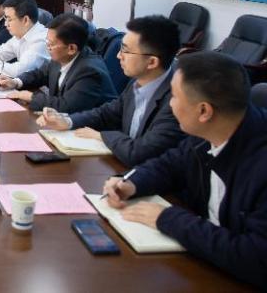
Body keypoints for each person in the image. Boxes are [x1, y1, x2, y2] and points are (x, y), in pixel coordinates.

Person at [102, 52, 267, 289]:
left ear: (204, 111)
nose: (170, 104)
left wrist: (167, 218)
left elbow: (256, 257)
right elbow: (170, 164)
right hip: (204, 263)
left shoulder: (259, 162)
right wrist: (131, 182)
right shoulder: (208, 133)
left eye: (174, 97)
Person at [37, 15, 183, 166]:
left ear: (152, 62)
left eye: (126, 51)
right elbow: (107, 113)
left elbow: (140, 153)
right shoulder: (137, 82)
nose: (118, 56)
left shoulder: (177, 102)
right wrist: (68, 121)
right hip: (125, 165)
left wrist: (102, 136)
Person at [0, 13, 117, 113]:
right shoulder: (61, 57)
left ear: (71, 48)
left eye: (51, 44)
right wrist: (16, 82)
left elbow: (65, 106)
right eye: (47, 42)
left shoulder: (89, 71)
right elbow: (40, 74)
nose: (47, 47)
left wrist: (30, 97)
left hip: (92, 130)